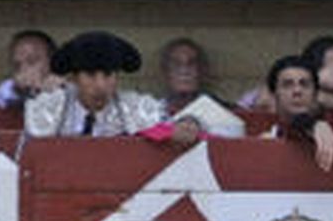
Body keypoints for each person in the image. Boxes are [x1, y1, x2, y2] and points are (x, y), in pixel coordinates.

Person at [24, 31, 201, 146]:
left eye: (108, 75)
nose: (100, 85)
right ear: (74, 79)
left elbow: (172, 127)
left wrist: (189, 123)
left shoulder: (136, 108)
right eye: (91, 75)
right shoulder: (51, 107)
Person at [267, 53, 333, 172]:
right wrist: (313, 125)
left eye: (305, 84)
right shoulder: (265, 141)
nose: (297, 91)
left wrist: (319, 124)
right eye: (287, 85)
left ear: (316, 94)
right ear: (273, 96)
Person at [0, 30, 59, 113]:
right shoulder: (8, 90)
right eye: (17, 65)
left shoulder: (67, 89)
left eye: (31, 62)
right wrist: (20, 93)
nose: (23, 70)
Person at [157, 37, 229, 115]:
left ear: (201, 71)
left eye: (191, 64)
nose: (184, 71)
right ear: (166, 72)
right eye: (176, 64)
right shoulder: (153, 114)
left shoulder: (218, 112)